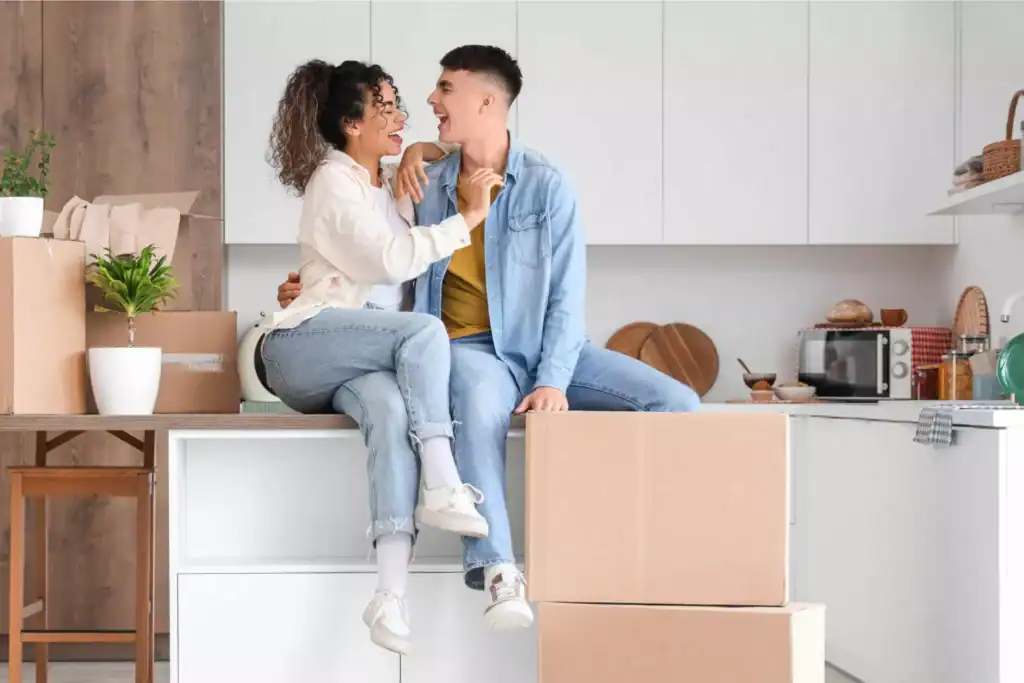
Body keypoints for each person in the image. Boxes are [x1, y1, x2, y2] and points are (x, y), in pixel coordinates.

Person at [277, 45, 701, 631]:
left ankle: (649, 554)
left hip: (545, 350)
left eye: (445, 88)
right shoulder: (422, 183)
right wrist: (314, 288)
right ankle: (500, 571)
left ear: (486, 100)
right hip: (465, 349)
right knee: (477, 405)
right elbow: (379, 258)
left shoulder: (549, 186)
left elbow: (566, 298)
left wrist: (553, 379)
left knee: (679, 405)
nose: (430, 100)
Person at [260, 58, 505, 655]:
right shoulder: (332, 181)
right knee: (423, 332)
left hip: (358, 361)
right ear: (351, 124)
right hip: (299, 347)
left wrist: (417, 147)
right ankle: (445, 483)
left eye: (399, 104)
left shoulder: (392, 183)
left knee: (392, 416)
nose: (401, 115)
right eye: (386, 107)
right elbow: (388, 264)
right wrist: (469, 219)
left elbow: (441, 149)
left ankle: (388, 596)